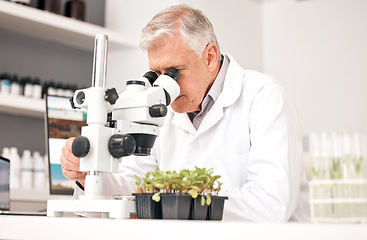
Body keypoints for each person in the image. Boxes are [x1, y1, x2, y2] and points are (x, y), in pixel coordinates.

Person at [61, 4, 310, 222]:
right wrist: (88, 176)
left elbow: (270, 205)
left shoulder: (265, 97)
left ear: (210, 57)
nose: (164, 86)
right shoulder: (162, 109)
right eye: (156, 74)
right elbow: (134, 183)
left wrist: (177, 205)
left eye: (173, 72)